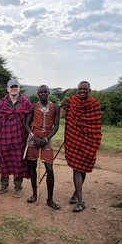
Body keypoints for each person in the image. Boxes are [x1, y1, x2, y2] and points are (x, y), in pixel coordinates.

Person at [64, 81, 102, 212]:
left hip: (88, 142)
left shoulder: (94, 104)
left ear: (89, 90)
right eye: (80, 89)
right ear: (77, 90)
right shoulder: (72, 101)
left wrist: (94, 141)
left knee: (82, 168)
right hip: (74, 140)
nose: (82, 91)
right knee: (77, 168)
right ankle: (79, 199)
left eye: (85, 89)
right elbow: (68, 118)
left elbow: (96, 125)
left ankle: (78, 198)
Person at [25, 85, 61, 209]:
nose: (43, 93)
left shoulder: (55, 107)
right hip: (33, 140)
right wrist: (33, 137)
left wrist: (46, 139)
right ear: (38, 93)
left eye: (45, 91)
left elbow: (56, 127)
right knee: (32, 168)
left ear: (49, 93)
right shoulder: (33, 107)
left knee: (49, 169)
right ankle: (34, 194)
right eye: (41, 92)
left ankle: (50, 199)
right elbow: (27, 124)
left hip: (46, 140)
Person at [0, 79, 32, 197]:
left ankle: (18, 187)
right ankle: (4, 184)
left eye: (16, 86)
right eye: (11, 87)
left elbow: (30, 120)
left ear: (19, 88)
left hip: (20, 138)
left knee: (19, 162)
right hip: (4, 138)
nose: (14, 88)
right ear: (7, 89)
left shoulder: (26, 102)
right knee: (3, 159)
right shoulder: (2, 104)